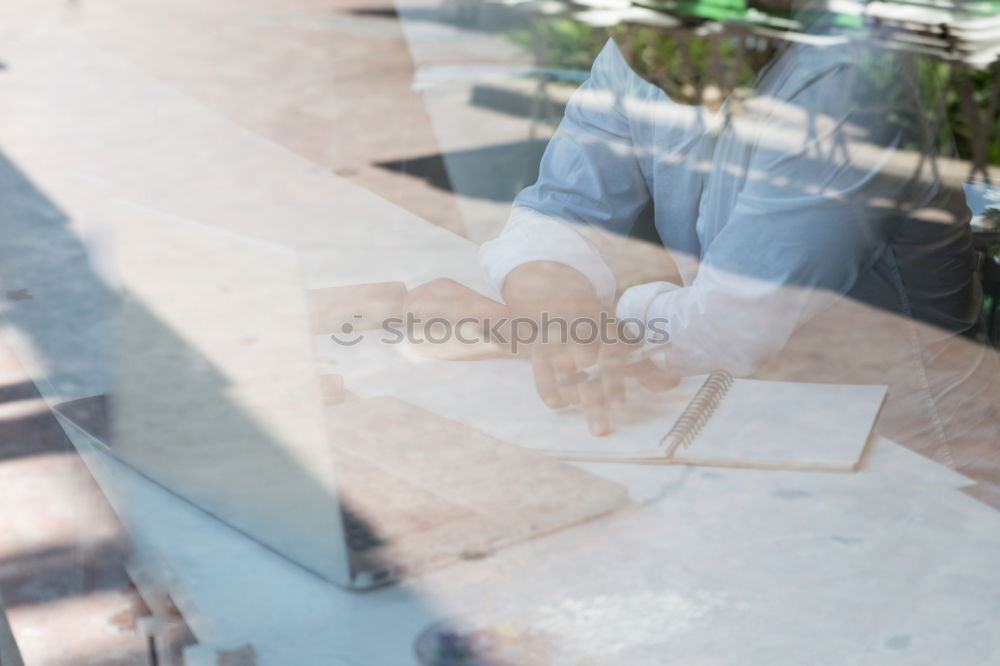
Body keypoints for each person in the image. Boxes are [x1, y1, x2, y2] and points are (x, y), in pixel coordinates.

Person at [470, 16, 998, 491]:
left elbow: (733, 325)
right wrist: (553, 301)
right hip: (755, 421)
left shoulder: (852, 76)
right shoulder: (644, 41)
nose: (643, 53)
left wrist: (596, 320)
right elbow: (562, 206)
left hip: (914, 446)